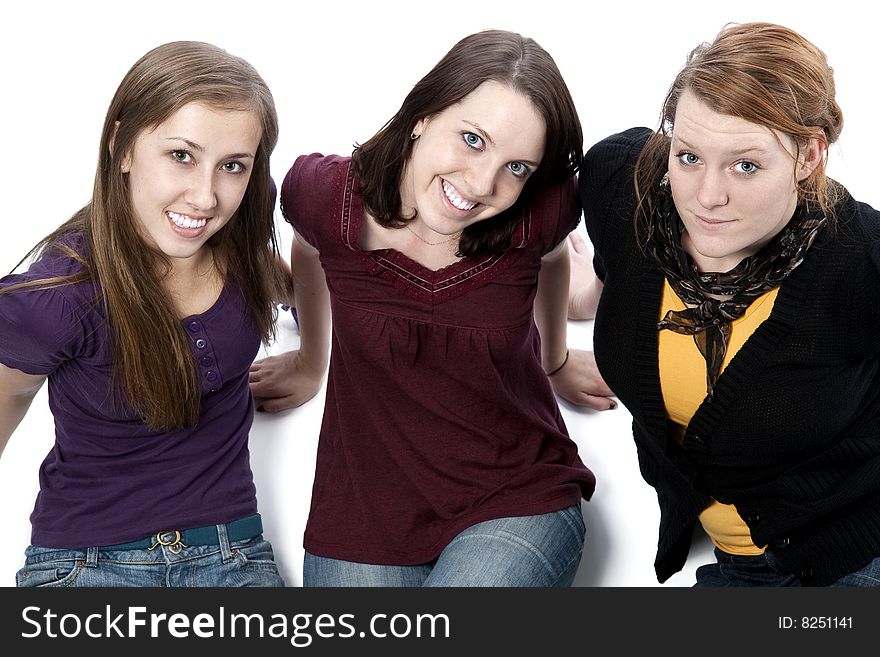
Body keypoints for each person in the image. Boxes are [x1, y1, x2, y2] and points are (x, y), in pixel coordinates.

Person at [248, 29, 615, 587]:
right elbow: (309, 242)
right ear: (423, 113)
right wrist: (309, 359)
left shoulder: (538, 213)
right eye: (472, 139)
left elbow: (550, 254)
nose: (483, 183)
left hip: (514, 496)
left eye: (517, 167)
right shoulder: (327, 198)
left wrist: (556, 359)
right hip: (366, 515)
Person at [570, 22, 880, 586]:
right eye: (689, 156)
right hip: (739, 569)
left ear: (808, 155)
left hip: (853, 553)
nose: (708, 196)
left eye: (746, 165)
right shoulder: (624, 186)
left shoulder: (860, 259)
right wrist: (576, 318)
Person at [0, 41, 287, 587]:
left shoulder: (238, 225)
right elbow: (8, 393)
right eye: (181, 155)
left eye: (232, 165)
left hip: (233, 556)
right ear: (123, 146)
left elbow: (278, 273)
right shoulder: (58, 299)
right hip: (86, 564)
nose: (205, 196)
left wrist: (313, 355)